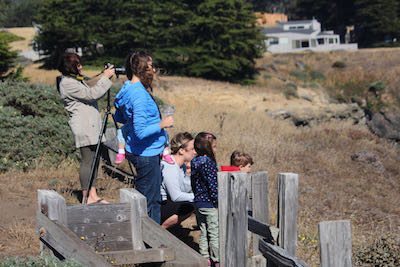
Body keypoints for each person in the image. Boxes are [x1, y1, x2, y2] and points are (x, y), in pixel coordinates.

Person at [114, 51, 173, 223]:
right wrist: (162, 124)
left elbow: (119, 117)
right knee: (149, 201)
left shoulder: (128, 88)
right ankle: (149, 242)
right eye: (150, 66)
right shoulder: (139, 95)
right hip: (146, 153)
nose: (154, 70)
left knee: (147, 198)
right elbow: (140, 132)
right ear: (142, 69)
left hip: (139, 149)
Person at [58, 52, 115, 204]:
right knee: (87, 160)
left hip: (91, 125)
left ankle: (93, 194)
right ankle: (87, 197)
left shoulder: (74, 80)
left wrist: (103, 75)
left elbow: (89, 85)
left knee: (94, 160)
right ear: (70, 67)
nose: (81, 67)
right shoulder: (67, 83)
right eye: (78, 65)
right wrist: (106, 78)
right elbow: (91, 94)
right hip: (84, 126)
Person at [191, 132, 219, 266]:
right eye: (214, 146)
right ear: (207, 147)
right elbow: (213, 185)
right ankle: (217, 259)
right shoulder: (208, 162)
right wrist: (217, 201)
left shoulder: (195, 160)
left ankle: (205, 258)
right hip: (209, 203)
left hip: (198, 202)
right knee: (214, 233)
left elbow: (193, 183)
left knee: (203, 231)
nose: (216, 149)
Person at [160, 132, 197, 229]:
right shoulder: (170, 167)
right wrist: (199, 196)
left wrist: (189, 173)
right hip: (161, 204)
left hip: (169, 201)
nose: (195, 152)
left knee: (192, 204)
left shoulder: (182, 166)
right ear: (181, 151)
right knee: (190, 205)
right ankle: (160, 230)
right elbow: (176, 196)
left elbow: (184, 189)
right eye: (192, 149)